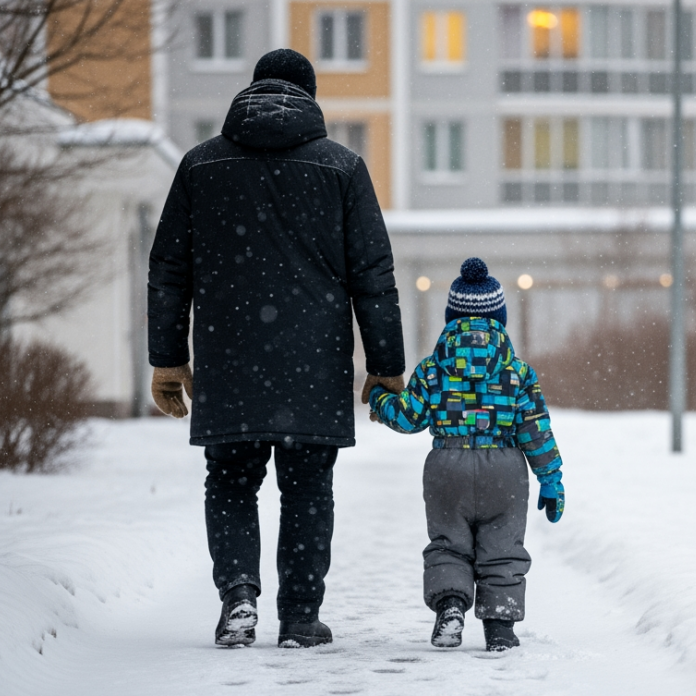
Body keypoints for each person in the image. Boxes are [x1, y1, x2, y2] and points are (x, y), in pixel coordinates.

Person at [147, 49, 405, 649]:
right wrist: (386, 365)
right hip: (312, 363)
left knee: (231, 482)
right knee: (308, 487)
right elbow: (374, 274)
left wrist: (167, 357)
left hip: (228, 354)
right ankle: (299, 617)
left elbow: (168, 269)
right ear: (310, 98)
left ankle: (238, 594)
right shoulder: (342, 167)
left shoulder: (200, 166)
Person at [368, 258, 565, 653]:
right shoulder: (517, 372)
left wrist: (379, 397)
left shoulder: (433, 370)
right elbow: (535, 429)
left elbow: (408, 418)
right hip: (505, 471)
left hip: (447, 467)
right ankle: (500, 628)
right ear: (500, 318)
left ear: (450, 318)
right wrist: (551, 477)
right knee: (502, 547)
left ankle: (451, 606)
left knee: (448, 543)